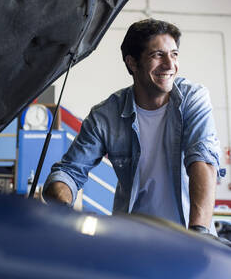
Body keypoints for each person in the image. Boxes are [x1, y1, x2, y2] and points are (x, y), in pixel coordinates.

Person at [43, 18, 221, 234]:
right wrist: (64, 209)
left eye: (174, 54)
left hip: (188, 236)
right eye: (157, 55)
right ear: (132, 62)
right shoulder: (106, 116)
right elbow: (69, 172)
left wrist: (199, 234)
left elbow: (202, 160)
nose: (169, 64)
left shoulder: (193, 99)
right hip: (132, 242)